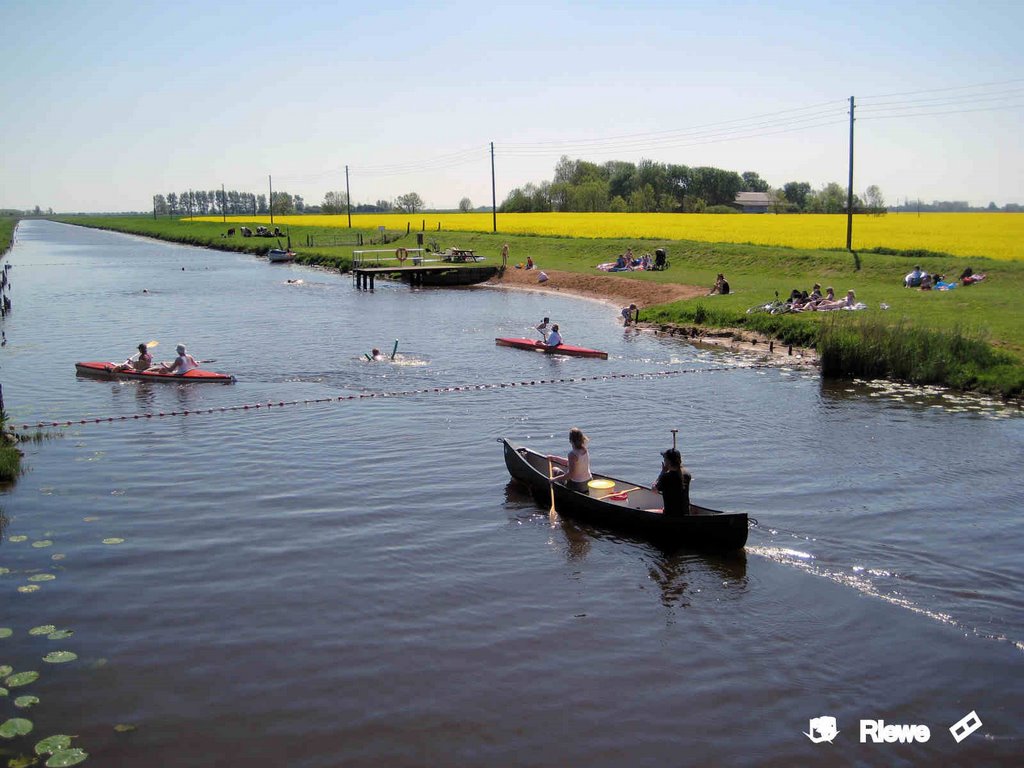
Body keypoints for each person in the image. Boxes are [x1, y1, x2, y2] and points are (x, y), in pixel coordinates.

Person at [654, 448, 691, 517]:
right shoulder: (687, 475)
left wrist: (662, 472)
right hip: (685, 514)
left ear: (667, 462)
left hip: (670, 516)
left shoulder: (665, 477)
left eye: (665, 459)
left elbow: (654, 489)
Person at [553, 427, 592, 492]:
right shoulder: (584, 450)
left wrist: (554, 479)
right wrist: (554, 458)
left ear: (570, 441)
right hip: (589, 482)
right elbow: (570, 463)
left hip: (577, 485)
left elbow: (570, 475)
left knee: (554, 469)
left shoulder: (572, 454)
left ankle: (558, 490)